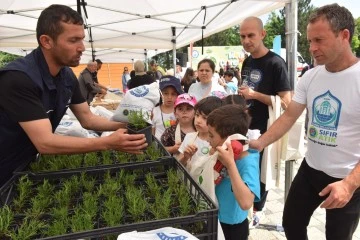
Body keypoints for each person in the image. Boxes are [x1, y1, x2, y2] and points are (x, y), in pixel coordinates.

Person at [0, 4, 147, 187]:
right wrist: (108, 143)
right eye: (73, 40)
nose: (82, 48)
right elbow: (45, 143)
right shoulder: (19, 79)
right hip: (5, 170)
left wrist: (129, 124)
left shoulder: (67, 76)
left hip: (26, 167)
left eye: (82, 39)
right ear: (46, 41)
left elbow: (88, 119)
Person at [250, 4, 360, 240]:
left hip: (348, 177)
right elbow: (289, 116)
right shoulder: (310, 76)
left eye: (319, 40)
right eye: (310, 41)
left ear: (344, 35)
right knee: (291, 223)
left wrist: (350, 185)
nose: (312, 48)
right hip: (311, 170)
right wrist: (259, 143)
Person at [238, 16, 292, 227]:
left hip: (267, 128)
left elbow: (287, 102)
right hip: (246, 124)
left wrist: (254, 94)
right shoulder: (247, 61)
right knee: (246, 166)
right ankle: (247, 204)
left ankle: (258, 209)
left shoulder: (276, 63)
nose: (246, 40)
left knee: (262, 170)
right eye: (242, 36)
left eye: (251, 35)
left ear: (263, 34)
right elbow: (247, 89)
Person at [207, 105, 260, 240]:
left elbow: (246, 203)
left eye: (211, 135)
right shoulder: (218, 153)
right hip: (214, 218)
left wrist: (230, 164)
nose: (208, 139)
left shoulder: (248, 163)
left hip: (232, 227)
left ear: (230, 141)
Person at [177, 96, 223, 169]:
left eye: (205, 118)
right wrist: (185, 157)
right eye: (197, 115)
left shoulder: (218, 143)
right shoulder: (189, 137)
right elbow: (178, 165)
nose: (198, 120)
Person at [152, 75, 183, 140]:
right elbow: (152, 134)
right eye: (166, 93)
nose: (169, 97)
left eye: (173, 94)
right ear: (160, 94)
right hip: (158, 147)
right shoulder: (154, 111)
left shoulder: (181, 112)